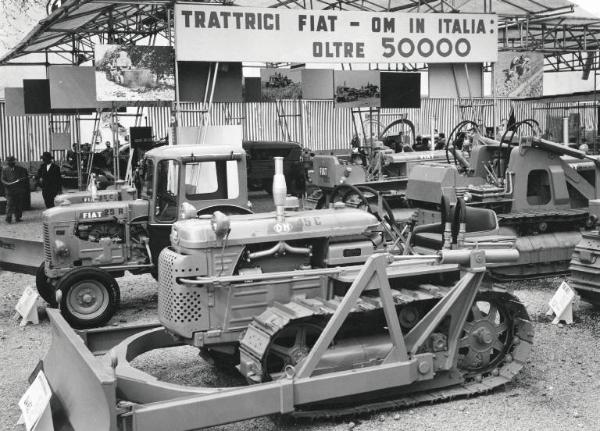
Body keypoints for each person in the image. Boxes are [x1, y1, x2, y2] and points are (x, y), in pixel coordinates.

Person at [1, 156, 29, 223]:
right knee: (9, 203)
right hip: (9, 190)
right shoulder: (5, 170)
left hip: (18, 190)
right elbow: (2, 179)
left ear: (14, 161)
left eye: (11, 161)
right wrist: (7, 184)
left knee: (18, 204)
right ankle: (9, 217)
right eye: (8, 161)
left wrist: (20, 181)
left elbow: (25, 177)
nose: (10, 163)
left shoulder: (20, 169)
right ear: (7, 162)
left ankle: (18, 217)